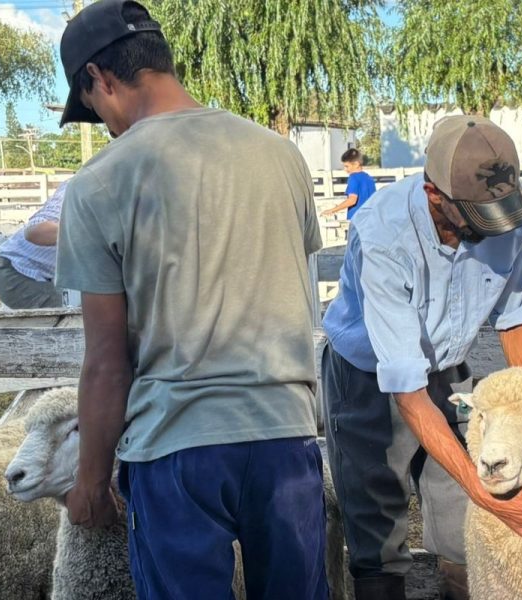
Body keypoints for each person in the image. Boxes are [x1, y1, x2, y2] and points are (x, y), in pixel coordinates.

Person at [53, 2, 327, 598]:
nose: (101, 122)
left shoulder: (101, 181)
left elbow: (105, 360)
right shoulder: (280, 156)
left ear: (99, 79)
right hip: (284, 432)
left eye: (93, 107)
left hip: (176, 448)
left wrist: (91, 482)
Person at [321, 115, 522, 600]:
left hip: (448, 369)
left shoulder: (511, 209)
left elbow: (514, 314)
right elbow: (405, 388)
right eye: (478, 218)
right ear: (435, 195)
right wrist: (488, 495)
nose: (494, 229)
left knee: (468, 525)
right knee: (377, 525)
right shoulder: (384, 232)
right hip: (371, 379)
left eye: (501, 214)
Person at [0, 181, 69, 309]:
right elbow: (36, 230)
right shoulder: (82, 187)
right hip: (17, 271)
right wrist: (87, 233)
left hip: (43, 275)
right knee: (74, 314)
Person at [321, 147, 376, 220]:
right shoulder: (369, 178)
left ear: (356, 164)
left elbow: (352, 200)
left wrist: (332, 210)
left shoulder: (353, 178)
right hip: (369, 219)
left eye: (347, 166)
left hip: (356, 220)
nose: (345, 170)